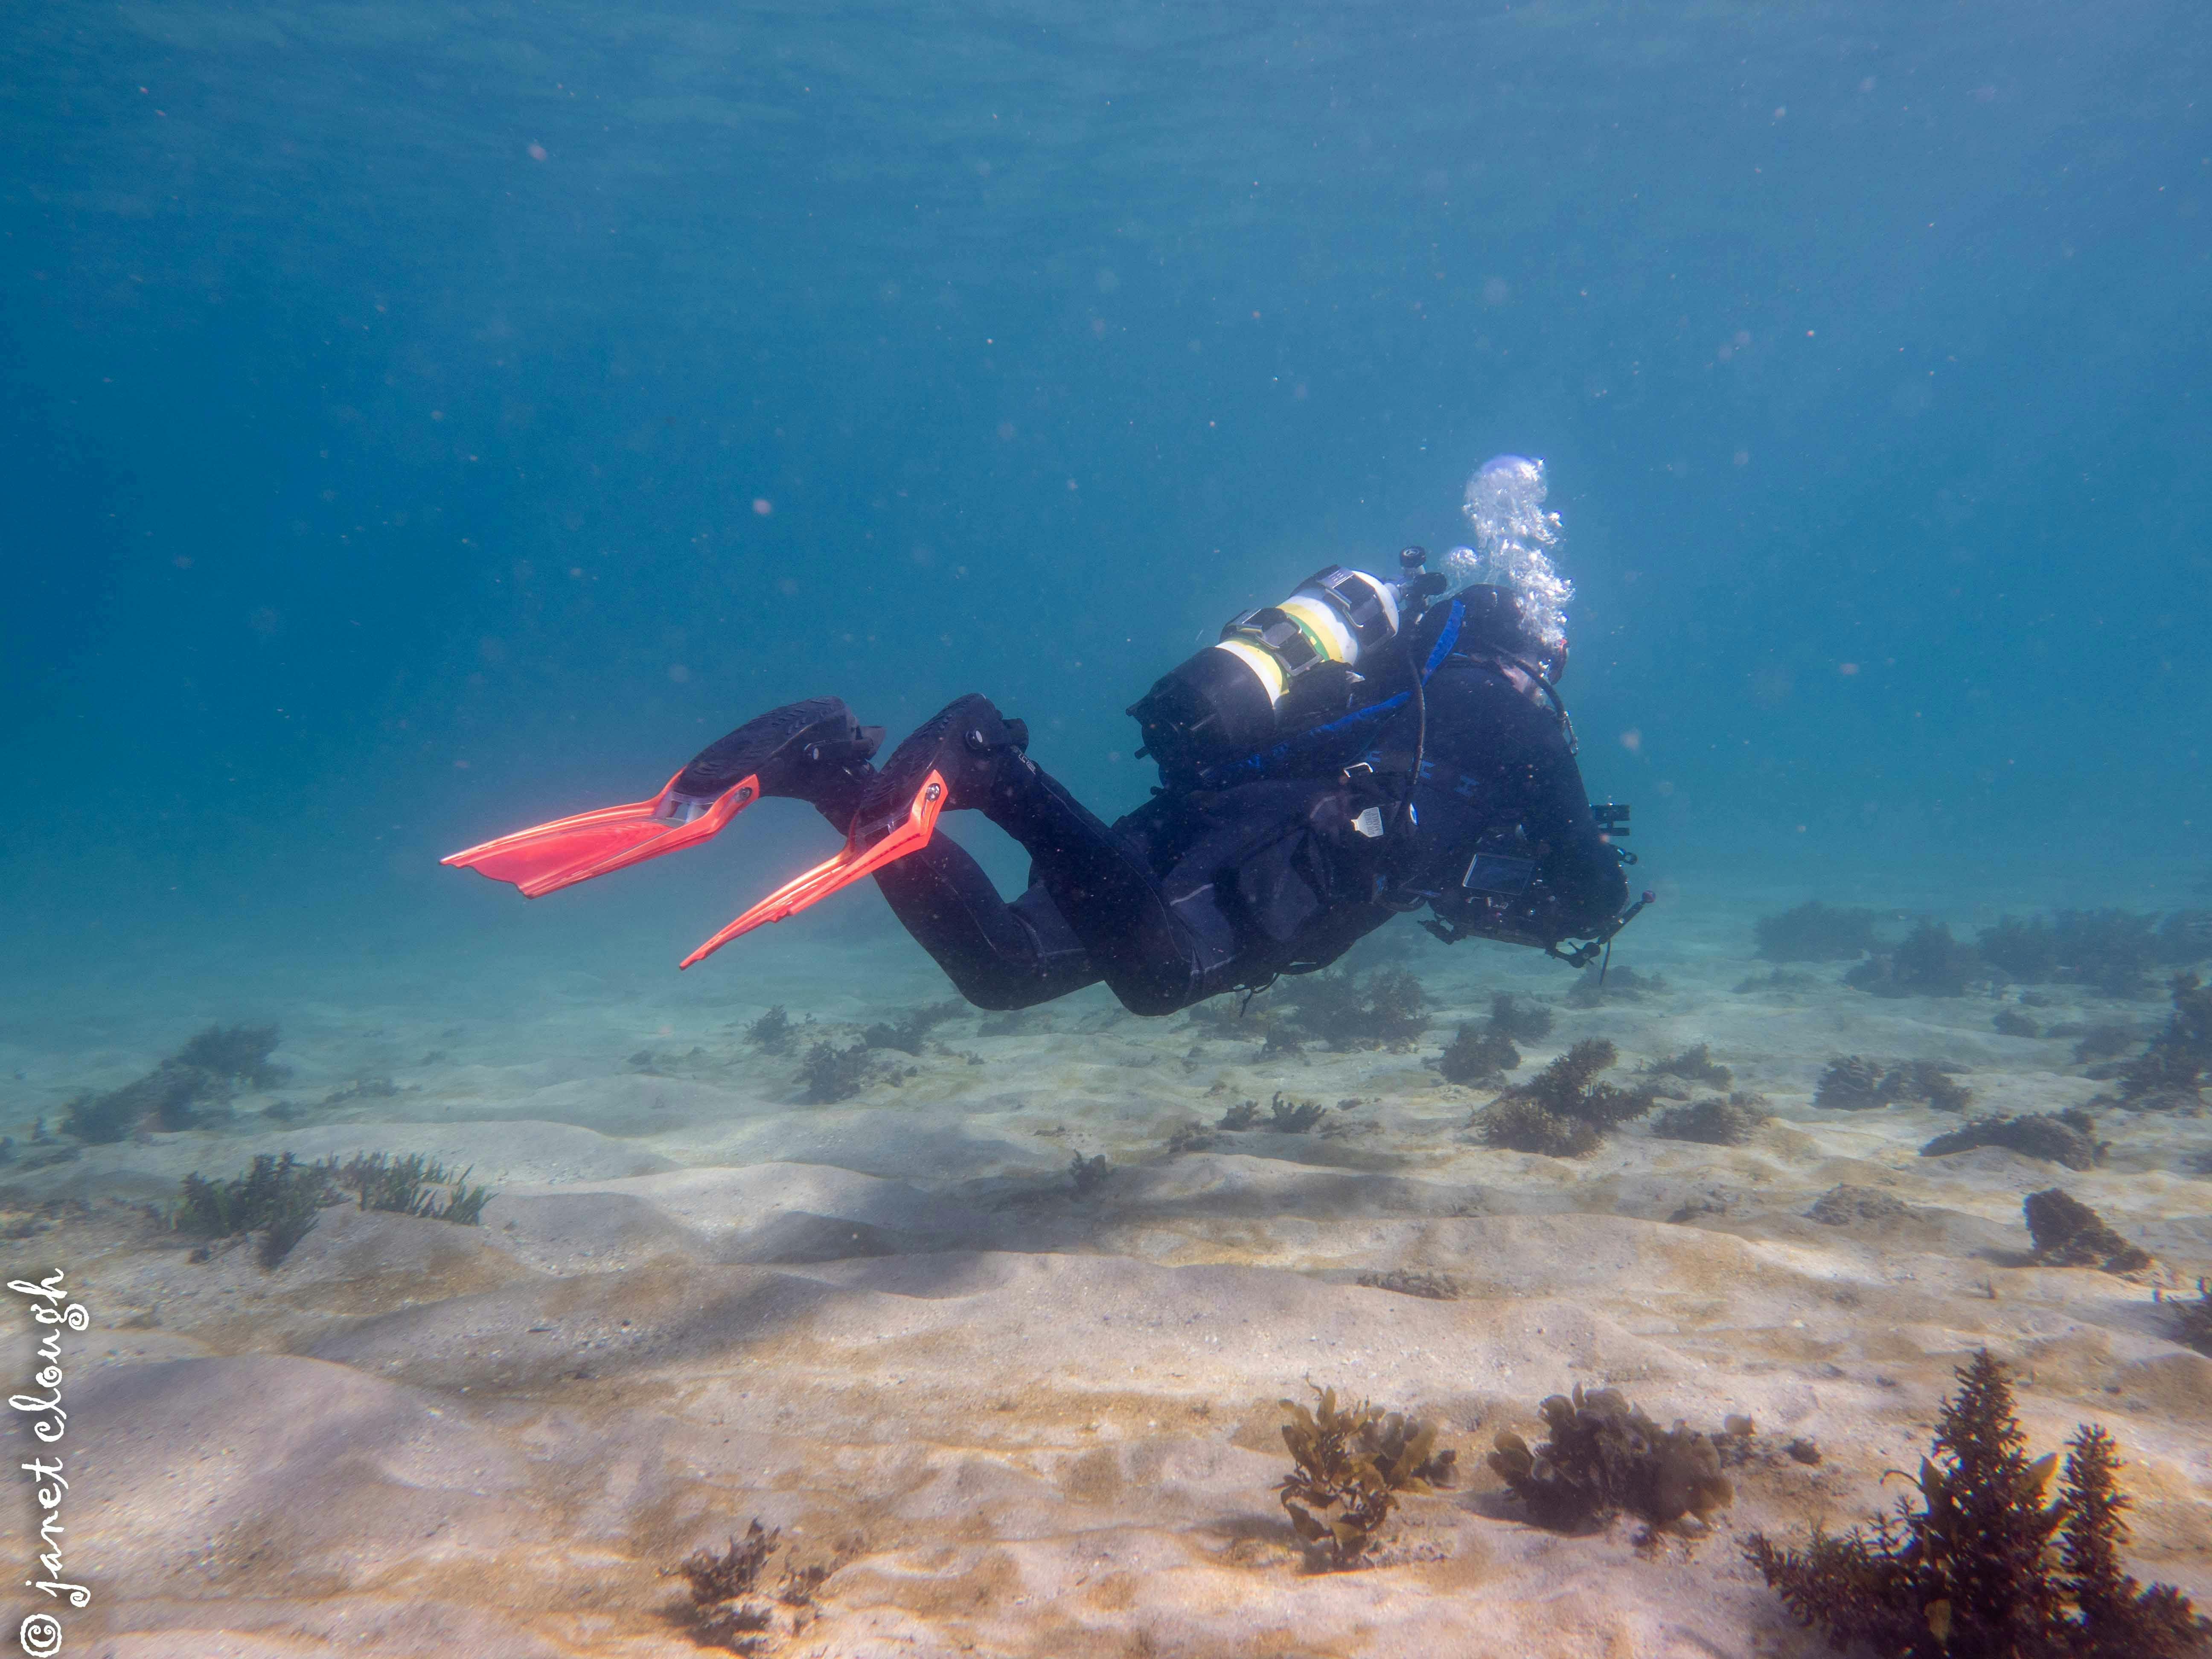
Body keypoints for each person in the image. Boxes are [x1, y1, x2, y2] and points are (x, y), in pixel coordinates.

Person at [445, 462, 1646, 1015]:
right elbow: (1584, 887)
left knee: (1013, 971)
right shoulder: (1526, 719)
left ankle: (829, 771)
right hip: (1279, 856)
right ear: (1538, 644)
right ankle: (993, 770)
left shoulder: (1413, 682)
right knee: (1162, 980)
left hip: (1215, 815)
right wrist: (1572, 900)